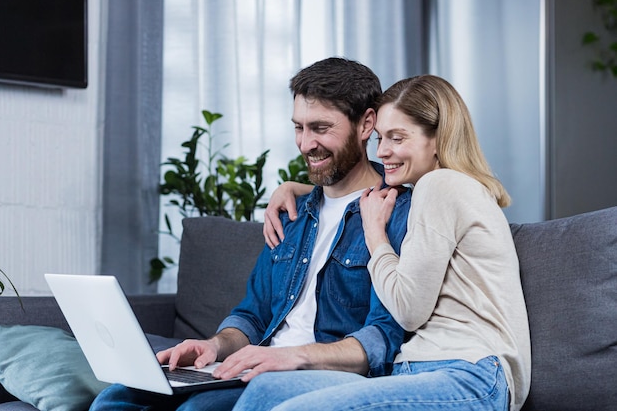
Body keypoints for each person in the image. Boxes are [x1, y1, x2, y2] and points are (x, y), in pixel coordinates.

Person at [89, 57, 413, 411]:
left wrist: (295, 357)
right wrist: (214, 346)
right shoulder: (292, 214)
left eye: (320, 128)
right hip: (258, 368)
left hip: (323, 377)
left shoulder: (397, 213)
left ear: (366, 124)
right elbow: (253, 315)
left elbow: (385, 335)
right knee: (118, 396)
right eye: (298, 128)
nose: (305, 144)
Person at [233, 74, 531, 411]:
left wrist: (374, 232)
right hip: (413, 372)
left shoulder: (442, 186)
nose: (384, 150)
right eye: (380, 138)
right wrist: (298, 188)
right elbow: (355, 185)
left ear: (437, 139)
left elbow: (407, 311)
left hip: (469, 372)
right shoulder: (431, 193)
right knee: (265, 393)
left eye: (398, 138)